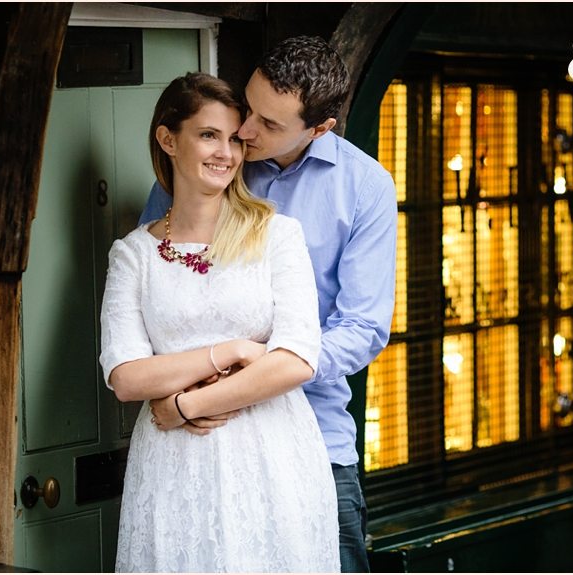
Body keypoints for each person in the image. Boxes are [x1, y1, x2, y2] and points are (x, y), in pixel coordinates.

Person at [142, 36, 398, 572]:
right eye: (249, 106)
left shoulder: (365, 187)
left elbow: (362, 328)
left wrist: (257, 374)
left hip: (315, 440)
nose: (246, 131)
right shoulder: (208, 161)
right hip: (198, 444)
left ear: (320, 128)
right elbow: (155, 288)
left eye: (271, 124)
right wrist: (186, 394)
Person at [100, 72, 340, 572]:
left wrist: (186, 404)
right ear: (168, 139)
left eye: (235, 139)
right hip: (173, 467)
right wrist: (229, 351)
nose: (226, 153)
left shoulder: (277, 235)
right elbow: (125, 376)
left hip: (271, 453)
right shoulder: (134, 255)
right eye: (209, 135)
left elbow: (296, 360)